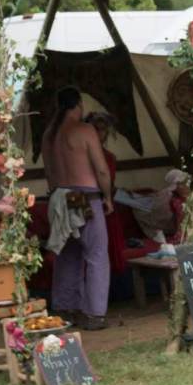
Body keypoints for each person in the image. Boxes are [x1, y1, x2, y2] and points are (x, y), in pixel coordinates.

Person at [41, 87, 113, 331]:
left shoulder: (49, 134)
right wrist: (107, 196)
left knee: (67, 255)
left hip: (59, 197)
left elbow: (49, 173)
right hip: (85, 197)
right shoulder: (84, 130)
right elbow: (101, 169)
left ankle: (65, 308)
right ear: (78, 104)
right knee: (96, 254)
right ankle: (94, 314)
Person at [84, 112, 128, 275]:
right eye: (96, 129)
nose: (100, 133)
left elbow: (110, 182)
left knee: (111, 248)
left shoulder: (109, 157)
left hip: (107, 207)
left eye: (103, 129)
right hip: (90, 204)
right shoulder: (82, 156)